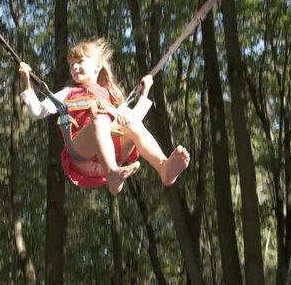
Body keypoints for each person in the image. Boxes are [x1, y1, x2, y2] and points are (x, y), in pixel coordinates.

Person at [18, 37, 190, 195]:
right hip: (81, 153)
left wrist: (144, 94)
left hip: (108, 155)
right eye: (71, 64)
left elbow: (134, 120)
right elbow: (38, 111)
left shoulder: (108, 97)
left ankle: (163, 167)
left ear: (97, 67)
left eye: (80, 62)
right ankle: (113, 173)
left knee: (129, 122)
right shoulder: (68, 93)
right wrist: (27, 81)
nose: (75, 67)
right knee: (100, 120)